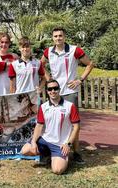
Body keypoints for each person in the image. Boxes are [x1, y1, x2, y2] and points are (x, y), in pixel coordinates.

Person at [40, 27, 93, 164]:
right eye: (55, 36)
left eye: (60, 36)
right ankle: (48, 152)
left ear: (64, 37)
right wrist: (49, 80)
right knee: (50, 122)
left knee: (74, 123)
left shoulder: (75, 50)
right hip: (54, 91)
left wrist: (79, 80)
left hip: (69, 92)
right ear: (52, 38)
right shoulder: (48, 51)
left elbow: (90, 64)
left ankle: (76, 152)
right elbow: (41, 65)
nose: (58, 38)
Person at [21, 79, 80, 174]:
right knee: (24, 151)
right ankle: (48, 155)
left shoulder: (70, 106)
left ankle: (61, 157)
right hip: (45, 140)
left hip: (60, 144)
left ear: (59, 90)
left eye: (55, 88)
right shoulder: (43, 107)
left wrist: (68, 144)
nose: (53, 91)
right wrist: (33, 142)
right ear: (47, 91)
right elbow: (39, 126)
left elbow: (76, 127)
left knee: (58, 170)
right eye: (50, 89)